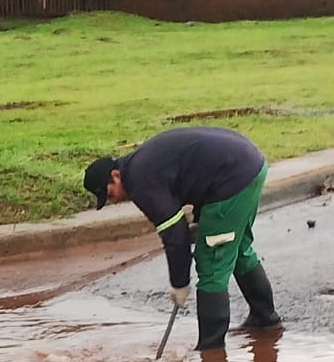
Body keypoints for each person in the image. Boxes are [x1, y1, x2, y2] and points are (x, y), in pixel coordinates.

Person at [83, 127, 282, 350]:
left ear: (116, 176)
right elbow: (193, 174)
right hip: (249, 164)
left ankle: (211, 348)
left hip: (234, 177)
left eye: (110, 194)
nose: (115, 201)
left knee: (212, 261)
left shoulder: (140, 181)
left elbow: (175, 235)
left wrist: (180, 284)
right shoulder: (140, 165)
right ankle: (265, 318)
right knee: (238, 249)